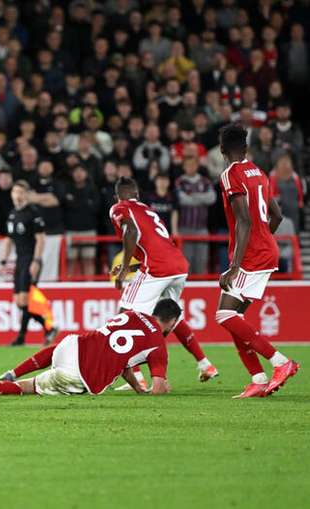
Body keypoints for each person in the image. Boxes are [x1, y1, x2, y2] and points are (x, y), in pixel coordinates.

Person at [215, 123, 299, 398]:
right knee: (234, 317)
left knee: (225, 314)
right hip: (265, 250)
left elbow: (244, 220)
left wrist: (235, 265)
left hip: (250, 256)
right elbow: (277, 216)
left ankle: (280, 362)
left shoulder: (231, 175)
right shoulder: (259, 173)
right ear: (247, 147)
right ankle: (258, 379)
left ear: (222, 149)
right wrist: (264, 240)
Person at [109, 176, 218, 386]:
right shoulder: (148, 211)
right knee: (169, 318)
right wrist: (131, 267)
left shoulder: (119, 208)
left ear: (117, 197)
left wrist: (123, 269)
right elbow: (156, 247)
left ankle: (137, 376)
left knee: (125, 316)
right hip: (178, 267)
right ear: (137, 195)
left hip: (158, 269)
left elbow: (130, 231)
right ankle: (205, 364)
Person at [0, 299, 181, 397]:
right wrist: (154, 390)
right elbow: (158, 388)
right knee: (30, 388)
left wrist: (137, 389)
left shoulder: (132, 314)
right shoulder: (158, 344)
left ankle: (11, 373)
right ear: (171, 322)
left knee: (55, 350)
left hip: (73, 344)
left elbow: (121, 360)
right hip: (81, 373)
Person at [1, 181, 56, 346]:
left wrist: (36, 261)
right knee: (19, 301)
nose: (17, 195)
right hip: (20, 260)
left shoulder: (33, 213)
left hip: (30, 259)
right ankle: (49, 328)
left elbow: (41, 239)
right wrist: (3, 259)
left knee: (25, 299)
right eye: (15, 192)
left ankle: (21, 337)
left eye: (20, 192)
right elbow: (9, 239)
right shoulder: (12, 214)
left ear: (25, 195)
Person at [175, 157, 216, 274]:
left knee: (202, 263)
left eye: (193, 165)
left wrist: (192, 195)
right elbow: (182, 200)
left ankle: (201, 291)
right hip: (184, 229)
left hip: (202, 229)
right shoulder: (180, 181)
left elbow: (212, 198)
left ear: (197, 166)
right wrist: (202, 198)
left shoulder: (205, 181)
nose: (190, 167)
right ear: (183, 167)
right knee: (186, 264)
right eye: (187, 165)